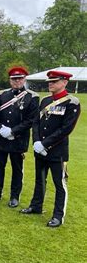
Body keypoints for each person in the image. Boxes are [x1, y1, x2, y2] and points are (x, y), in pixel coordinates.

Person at [21, 70, 81, 227]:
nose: (50, 84)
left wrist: (45, 143)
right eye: (49, 81)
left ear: (64, 82)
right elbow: (36, 123)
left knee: (59, 184)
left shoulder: (72, 102)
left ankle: (58, 215)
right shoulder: (45, 101)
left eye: (54, 81)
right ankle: (36, 206)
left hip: (57, 151)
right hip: (40, 148)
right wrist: (36, 142)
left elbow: (66, 128)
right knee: (40, 180)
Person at [0, 67, 39, 207]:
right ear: (9, 80)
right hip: (2, 137)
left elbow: (31, 119)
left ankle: (14, 196)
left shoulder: (32, 96)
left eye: (20, 78)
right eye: (14, 79)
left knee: (17, 169)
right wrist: (0, 129)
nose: (17, 81)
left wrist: (13, 131)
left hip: (19, 139)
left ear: (24, 79)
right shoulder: (1, 95)